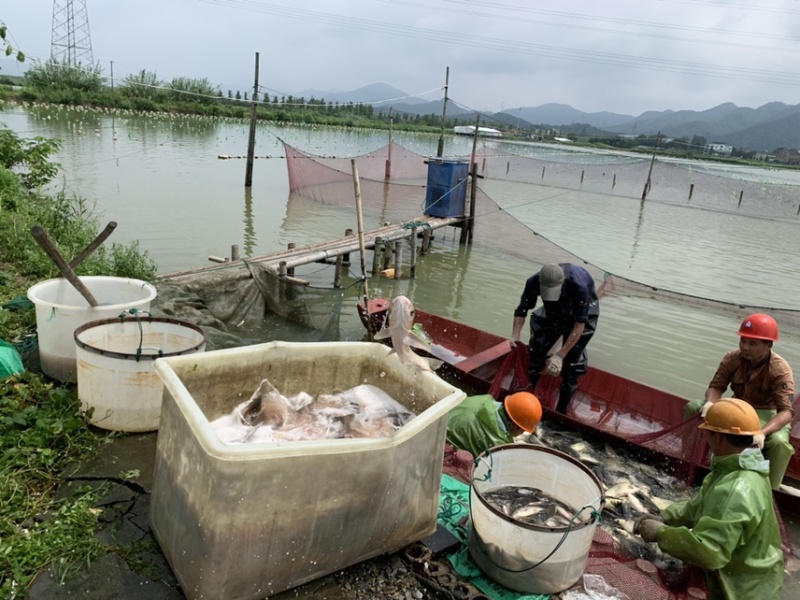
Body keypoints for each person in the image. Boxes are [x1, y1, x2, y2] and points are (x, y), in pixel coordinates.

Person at [635, 398, 784, 599]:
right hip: (760, 574)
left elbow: (711, 552)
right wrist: (666, 517)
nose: (705, 438)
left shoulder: (735, 489)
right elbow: (699, 506)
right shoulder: (744, 465)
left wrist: (661, 534)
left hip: (742, 590)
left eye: (708, 433)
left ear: (719, 438)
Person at [684, 313, 795, 490]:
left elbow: (787, 412)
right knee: (694, 407)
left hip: (767, 412)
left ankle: (772, 490)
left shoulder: (780, 370)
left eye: (753, 343)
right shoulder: (732, 358)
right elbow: (716, 386)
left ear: (768, 345)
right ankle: (687, 459)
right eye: (743, 341)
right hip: (738, 405)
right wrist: (710, 403)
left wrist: (762, 433)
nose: (745, 347)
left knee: (779, 443)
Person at [511, 263, 599, 414]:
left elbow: (579, 326)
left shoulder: (579, 286)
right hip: (553, 311)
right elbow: (522, 310)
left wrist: (560, 355)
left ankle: (561, 413)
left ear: (563, 281)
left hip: (582, 313)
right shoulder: (533, 281)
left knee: (571, 366)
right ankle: (523, 401)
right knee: (535, 356)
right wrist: (515, 335)